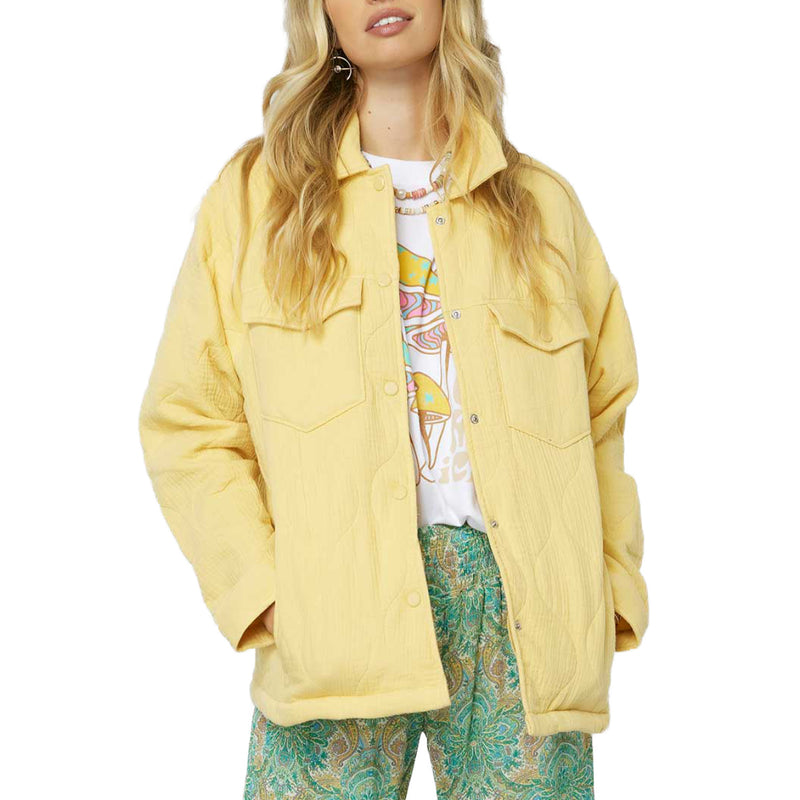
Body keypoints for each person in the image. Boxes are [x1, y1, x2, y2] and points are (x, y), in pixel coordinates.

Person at [138, 1, 649, 797]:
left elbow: (601, 413)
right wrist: (264, 593)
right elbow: (189, 421)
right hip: (334, 611)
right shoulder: (256, 200)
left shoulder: (541, 206)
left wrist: (607, 589)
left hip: (524, 616)